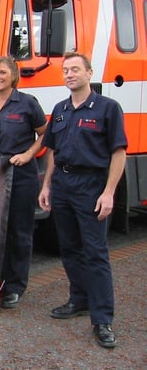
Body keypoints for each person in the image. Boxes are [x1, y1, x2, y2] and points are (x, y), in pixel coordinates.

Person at [38, 52, 126, 349]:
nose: (69, 74)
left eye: (75, 69)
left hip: (91, 185)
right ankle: (79, 299)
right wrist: (47, 185)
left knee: (95, 253)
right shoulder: (60, 110)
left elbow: (118, 152)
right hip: (62, 184)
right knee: (70, 248)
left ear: (89, 73)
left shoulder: (107, 108)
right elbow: (52, 149)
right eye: (65, 70)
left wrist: (109, 192)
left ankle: (102, 319)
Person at [0, 56, 47, 309]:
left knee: (18, 231)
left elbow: (45, 134)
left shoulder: (27, 103)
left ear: (13, 76)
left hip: (20, 174)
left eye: (2, 73)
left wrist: (28, 154)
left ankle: (15, 286)